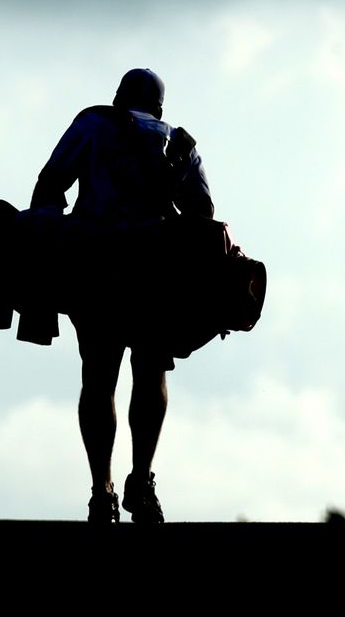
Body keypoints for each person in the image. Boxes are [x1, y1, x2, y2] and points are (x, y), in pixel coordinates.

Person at [30, 68, 213, 524]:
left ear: (116, 97)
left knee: (98, 377)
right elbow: (204, 217)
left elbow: (50, 184)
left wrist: (50, 235)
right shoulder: (179, 145)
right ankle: (142, 482)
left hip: (93, 266)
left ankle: (101, 490)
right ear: (160, 107)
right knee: (150, 373)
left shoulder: (92, 125)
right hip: (155, 272)